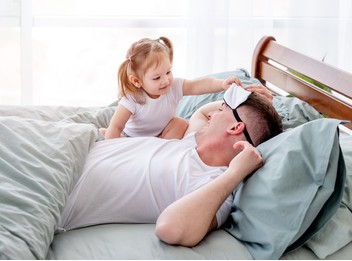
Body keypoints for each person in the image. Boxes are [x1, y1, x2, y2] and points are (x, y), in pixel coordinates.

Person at [58, 85, 282, 247]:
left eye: (221, 110)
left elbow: (170, 228)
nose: (213, 113)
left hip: (58, 190)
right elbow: (202, 112)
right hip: (67, 151)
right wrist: (254, 98)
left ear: (234, 129)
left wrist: (236, 172)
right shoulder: (190, 141)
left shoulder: (215, 188)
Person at [100, 36, 239, 140]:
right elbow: (116, 126)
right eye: (157, 78)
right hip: (132, 138)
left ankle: (160, 148)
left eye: (168, 72)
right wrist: (111, 145)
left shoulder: (174, 86)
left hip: (160, 135)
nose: (166, 80)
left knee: (180, 123)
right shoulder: (132, 98)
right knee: (108, 134)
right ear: (137, 81)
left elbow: (198, 85)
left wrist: (221, 84)